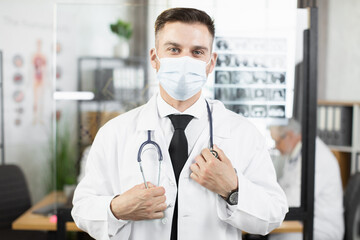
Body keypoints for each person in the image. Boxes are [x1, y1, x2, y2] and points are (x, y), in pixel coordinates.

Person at [72, 7, 288, 240]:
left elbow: (273, 214)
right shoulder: (115, 132)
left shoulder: (242, 133)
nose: (185, 61)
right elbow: (82, 209)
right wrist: (117, 208)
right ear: (155, 58)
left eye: (197, 52)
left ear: (211, 62)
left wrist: (232, 189)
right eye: (174, 49)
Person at [269, 119, 344, 240]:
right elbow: (283, 187)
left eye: (277, 142)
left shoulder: (315, 156)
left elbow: (294, 200)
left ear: (289, 135)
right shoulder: (295, 154)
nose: (276, 147)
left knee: (279, 237)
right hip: (301, 222)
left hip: (321, 228)